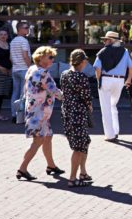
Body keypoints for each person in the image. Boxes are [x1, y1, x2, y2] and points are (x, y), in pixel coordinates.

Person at [16, 46, 64, 181]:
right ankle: (22, 168)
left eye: (53, 57)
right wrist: (68, 97)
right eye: (50, 57)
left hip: (39, 112)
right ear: (41, 57)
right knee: (38, 140)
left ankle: (51, 165)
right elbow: (54, 90)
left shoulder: (32, 69)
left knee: (48, 136)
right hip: (38, 113)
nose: (52, 60)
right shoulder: (42, 73)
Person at [60, 49, 93, 187]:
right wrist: (90, 107)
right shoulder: (81, 77)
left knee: (85, 142)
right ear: (83, 61)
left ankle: (83, 172)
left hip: (67, 112)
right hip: (78, 114)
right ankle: (72, 179)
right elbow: (86, 96)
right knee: (79, 147)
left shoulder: (64, 74)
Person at [93, 30, 132, 141]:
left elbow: (97, 68)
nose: (104, 42)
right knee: (113, 105)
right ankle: (115, 130)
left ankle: (110, 134)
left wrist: (99, 80)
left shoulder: (102, 52)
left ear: (111, 41)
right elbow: (131, 67)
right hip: (119, 81)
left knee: (106, 108)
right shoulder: (125, 51)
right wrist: (128, 80)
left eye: (106, 40)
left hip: (106, 79)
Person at [9, 21, 32, 122]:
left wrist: (16, 64)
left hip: (15, 69)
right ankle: (21, 117)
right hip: (24, 70)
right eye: (26, 28)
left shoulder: (13, 41)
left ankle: (14, 115)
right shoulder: (24, 41)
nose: (28, 29)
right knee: (24, 94)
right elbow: (25, 56)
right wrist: (30, 68)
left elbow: (10, 57)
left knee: (15, 93)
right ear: (19, 29)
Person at [0, 27, 12, 120]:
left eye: (5, 34)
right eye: (1, 34)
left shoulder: (9, 45)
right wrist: (1, 68)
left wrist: (10, 70)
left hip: (7, 73)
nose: (3, 36)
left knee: (2, 94)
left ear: (7, 36)